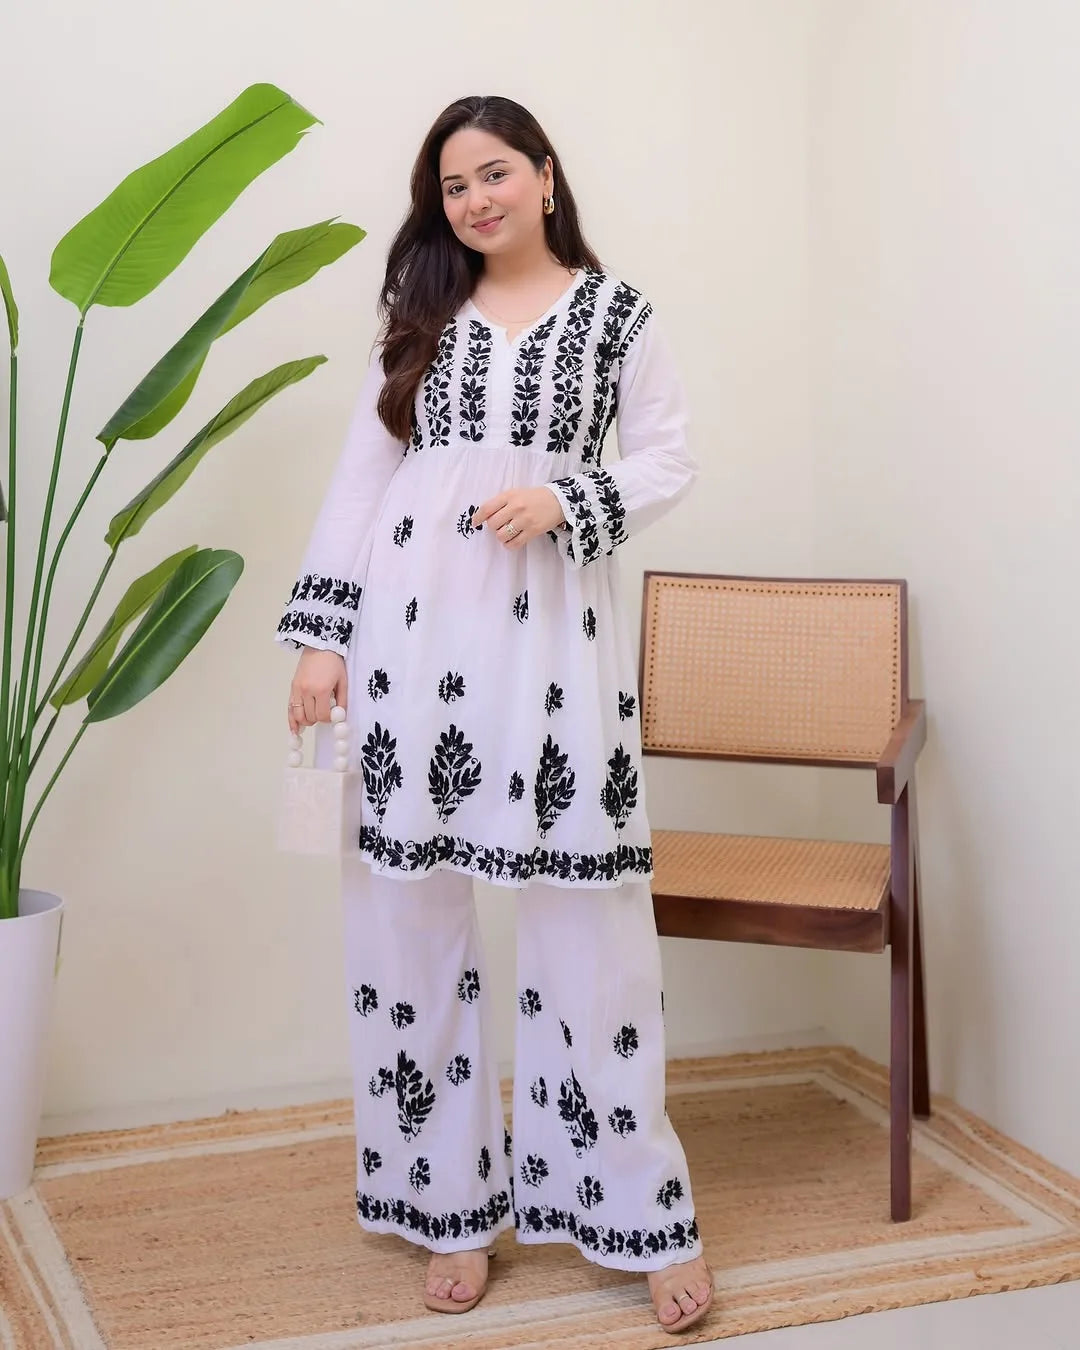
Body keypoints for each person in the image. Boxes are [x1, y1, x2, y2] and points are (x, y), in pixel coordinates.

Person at [276, 94, 713, 1334]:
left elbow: (667, 456)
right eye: (453, 186)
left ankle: (640, 1216)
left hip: (555, 652)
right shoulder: (418, 320)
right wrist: (320, 642)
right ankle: (447, 1209)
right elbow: (362, 485)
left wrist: (567, 497)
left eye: (494, 174)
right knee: (407, 929)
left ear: (546, 175)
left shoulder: (617, 316)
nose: (474, 200)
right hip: (407, 650)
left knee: (592, 936)